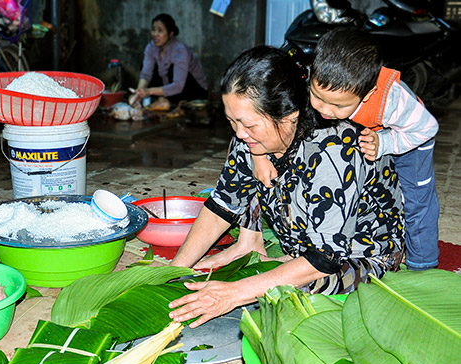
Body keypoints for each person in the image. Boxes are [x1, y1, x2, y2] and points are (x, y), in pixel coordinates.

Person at [168, 46, 405, 328]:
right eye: (232, 121)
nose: (239, 133)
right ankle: (251, 245)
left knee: (289, 294)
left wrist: (234, 293)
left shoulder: (335, 151)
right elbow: (223, 204)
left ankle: (283, 267)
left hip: (359, 253)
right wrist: (175, 270)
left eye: (248, 124)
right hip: (305, 243)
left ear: (290, 114)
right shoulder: (250, 141)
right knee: (249, 157)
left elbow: (326, 259)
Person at [252, 27, 440, 271]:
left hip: (409, 137)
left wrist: (385, 143)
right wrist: (258, 154)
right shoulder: (308, 77)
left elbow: (429, 127)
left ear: (368, 93)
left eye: (338, 105)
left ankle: (422, 263)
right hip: (370, 133)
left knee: (416, 200)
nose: (326, 111)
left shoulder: (393, 101)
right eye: (318, 97)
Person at [128, 13, 208, 114]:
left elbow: (178, 85)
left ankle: (168, 101)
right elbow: (146, 74)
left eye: (160, 31)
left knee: (171, 69)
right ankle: (165, 100)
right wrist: (138, 92)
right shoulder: (151, 47)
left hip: (193, 91)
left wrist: (148, 91)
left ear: (170, 34)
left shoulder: (180, 50)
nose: (155, 34)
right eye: (153, 30)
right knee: (148, 66)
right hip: (170, 88)